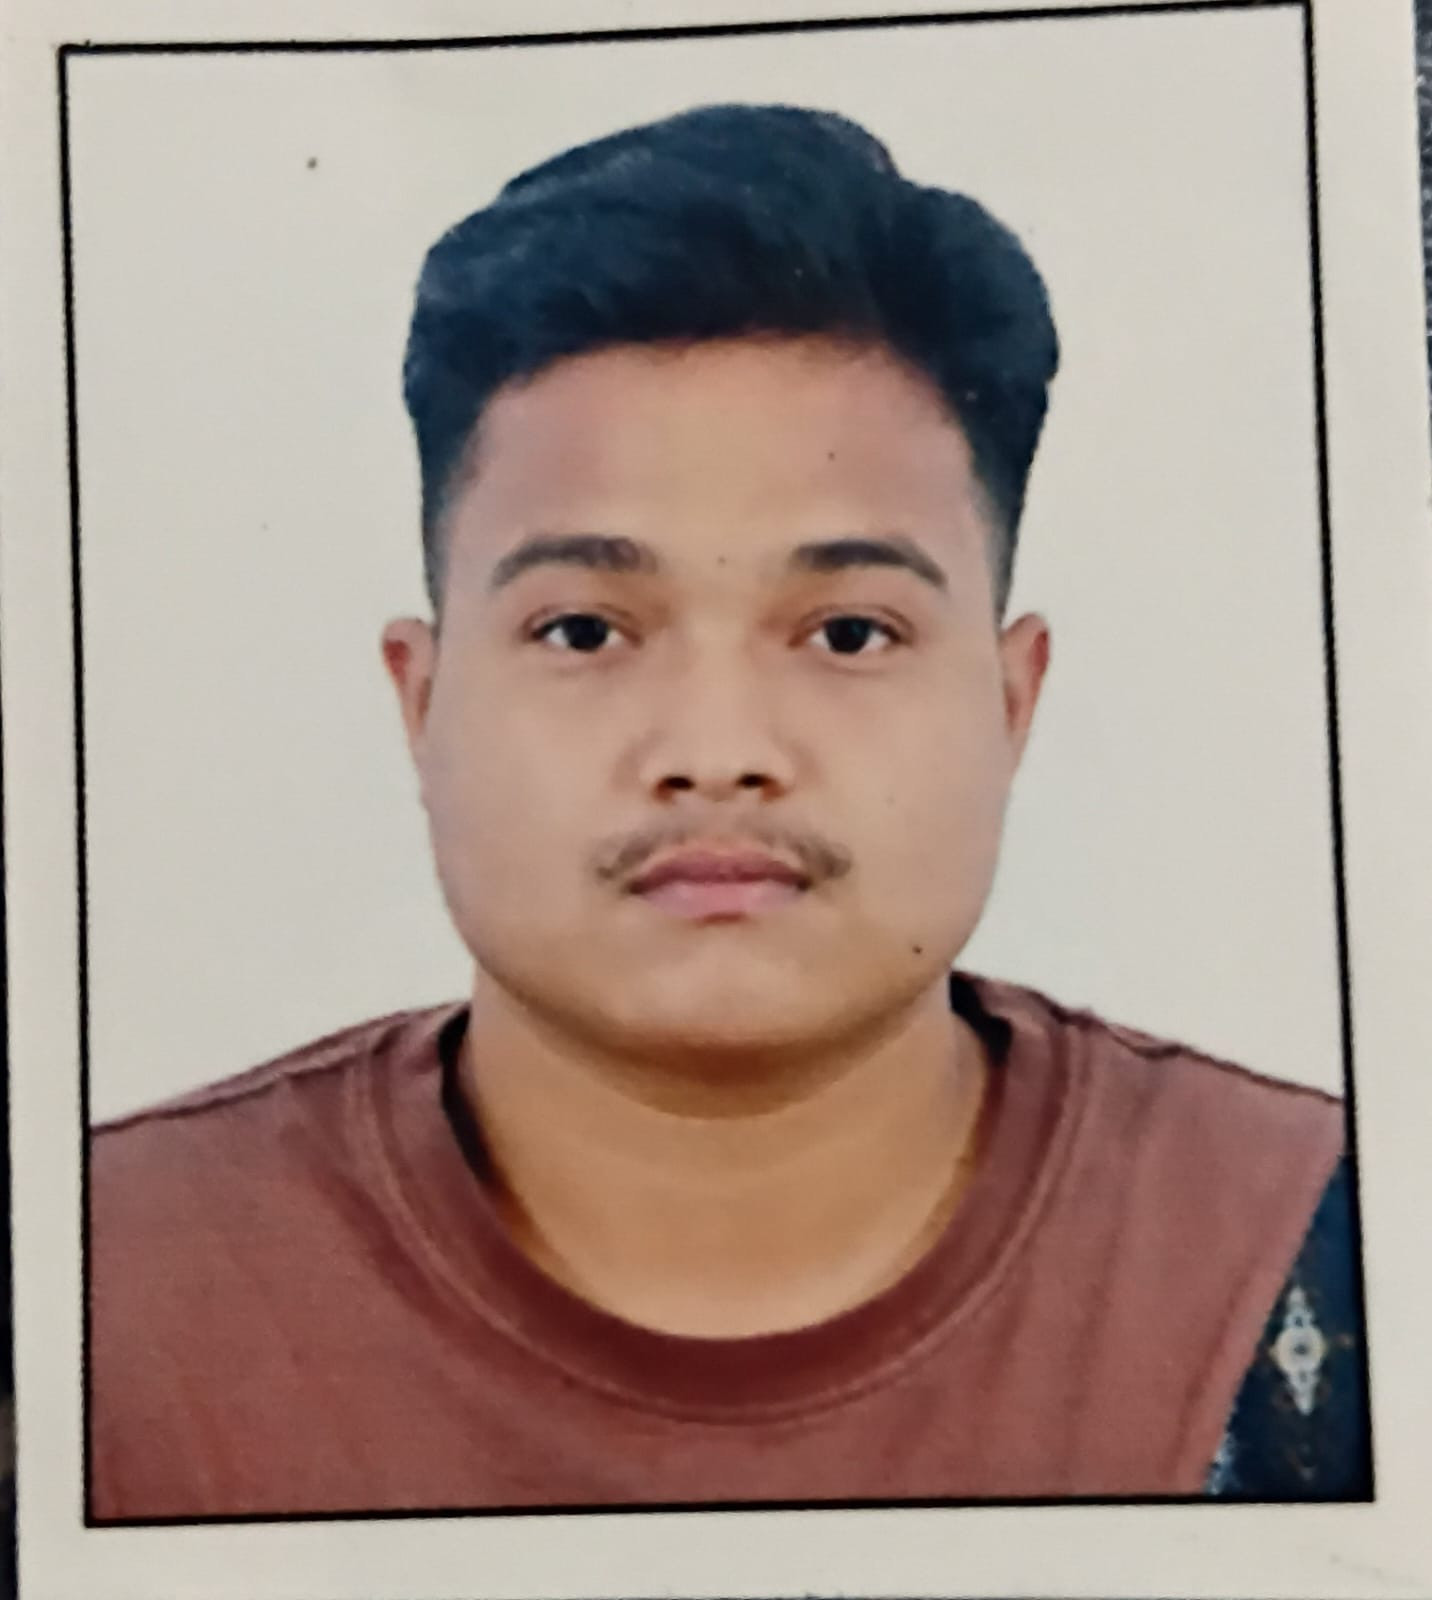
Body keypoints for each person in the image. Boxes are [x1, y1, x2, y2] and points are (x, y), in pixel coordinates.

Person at [88, 104, 1368, 1520]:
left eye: (848, 633)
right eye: (584, 630)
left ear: (1011, 702)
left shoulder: (1328, 1248)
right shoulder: (106, 1290)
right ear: (423, 700)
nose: (716, 753)